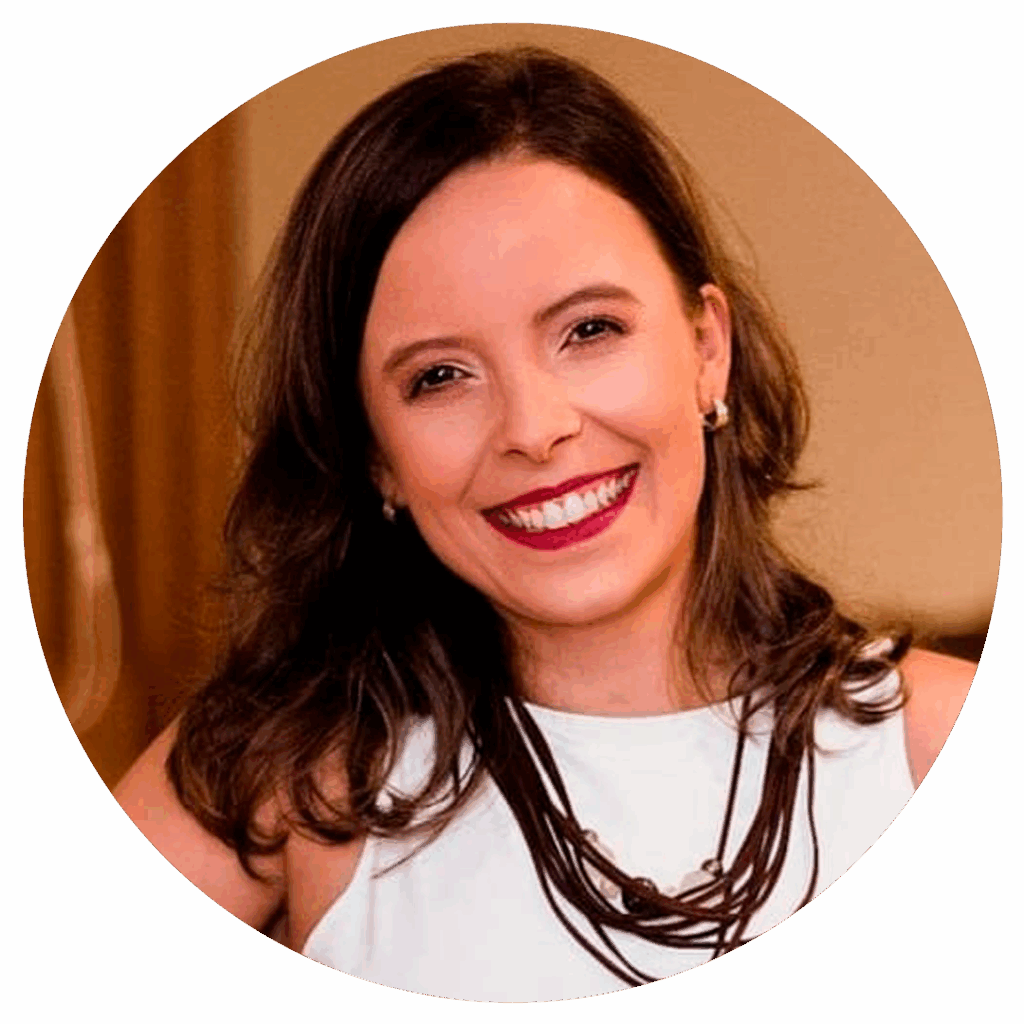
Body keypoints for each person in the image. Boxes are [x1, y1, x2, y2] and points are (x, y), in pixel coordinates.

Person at [114, 47, 975, 1001]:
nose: (533, 428)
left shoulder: (941, 742)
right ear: (375, 456)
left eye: (590, 330)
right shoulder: (290, 775)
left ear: (707, 350)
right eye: (439, 377)